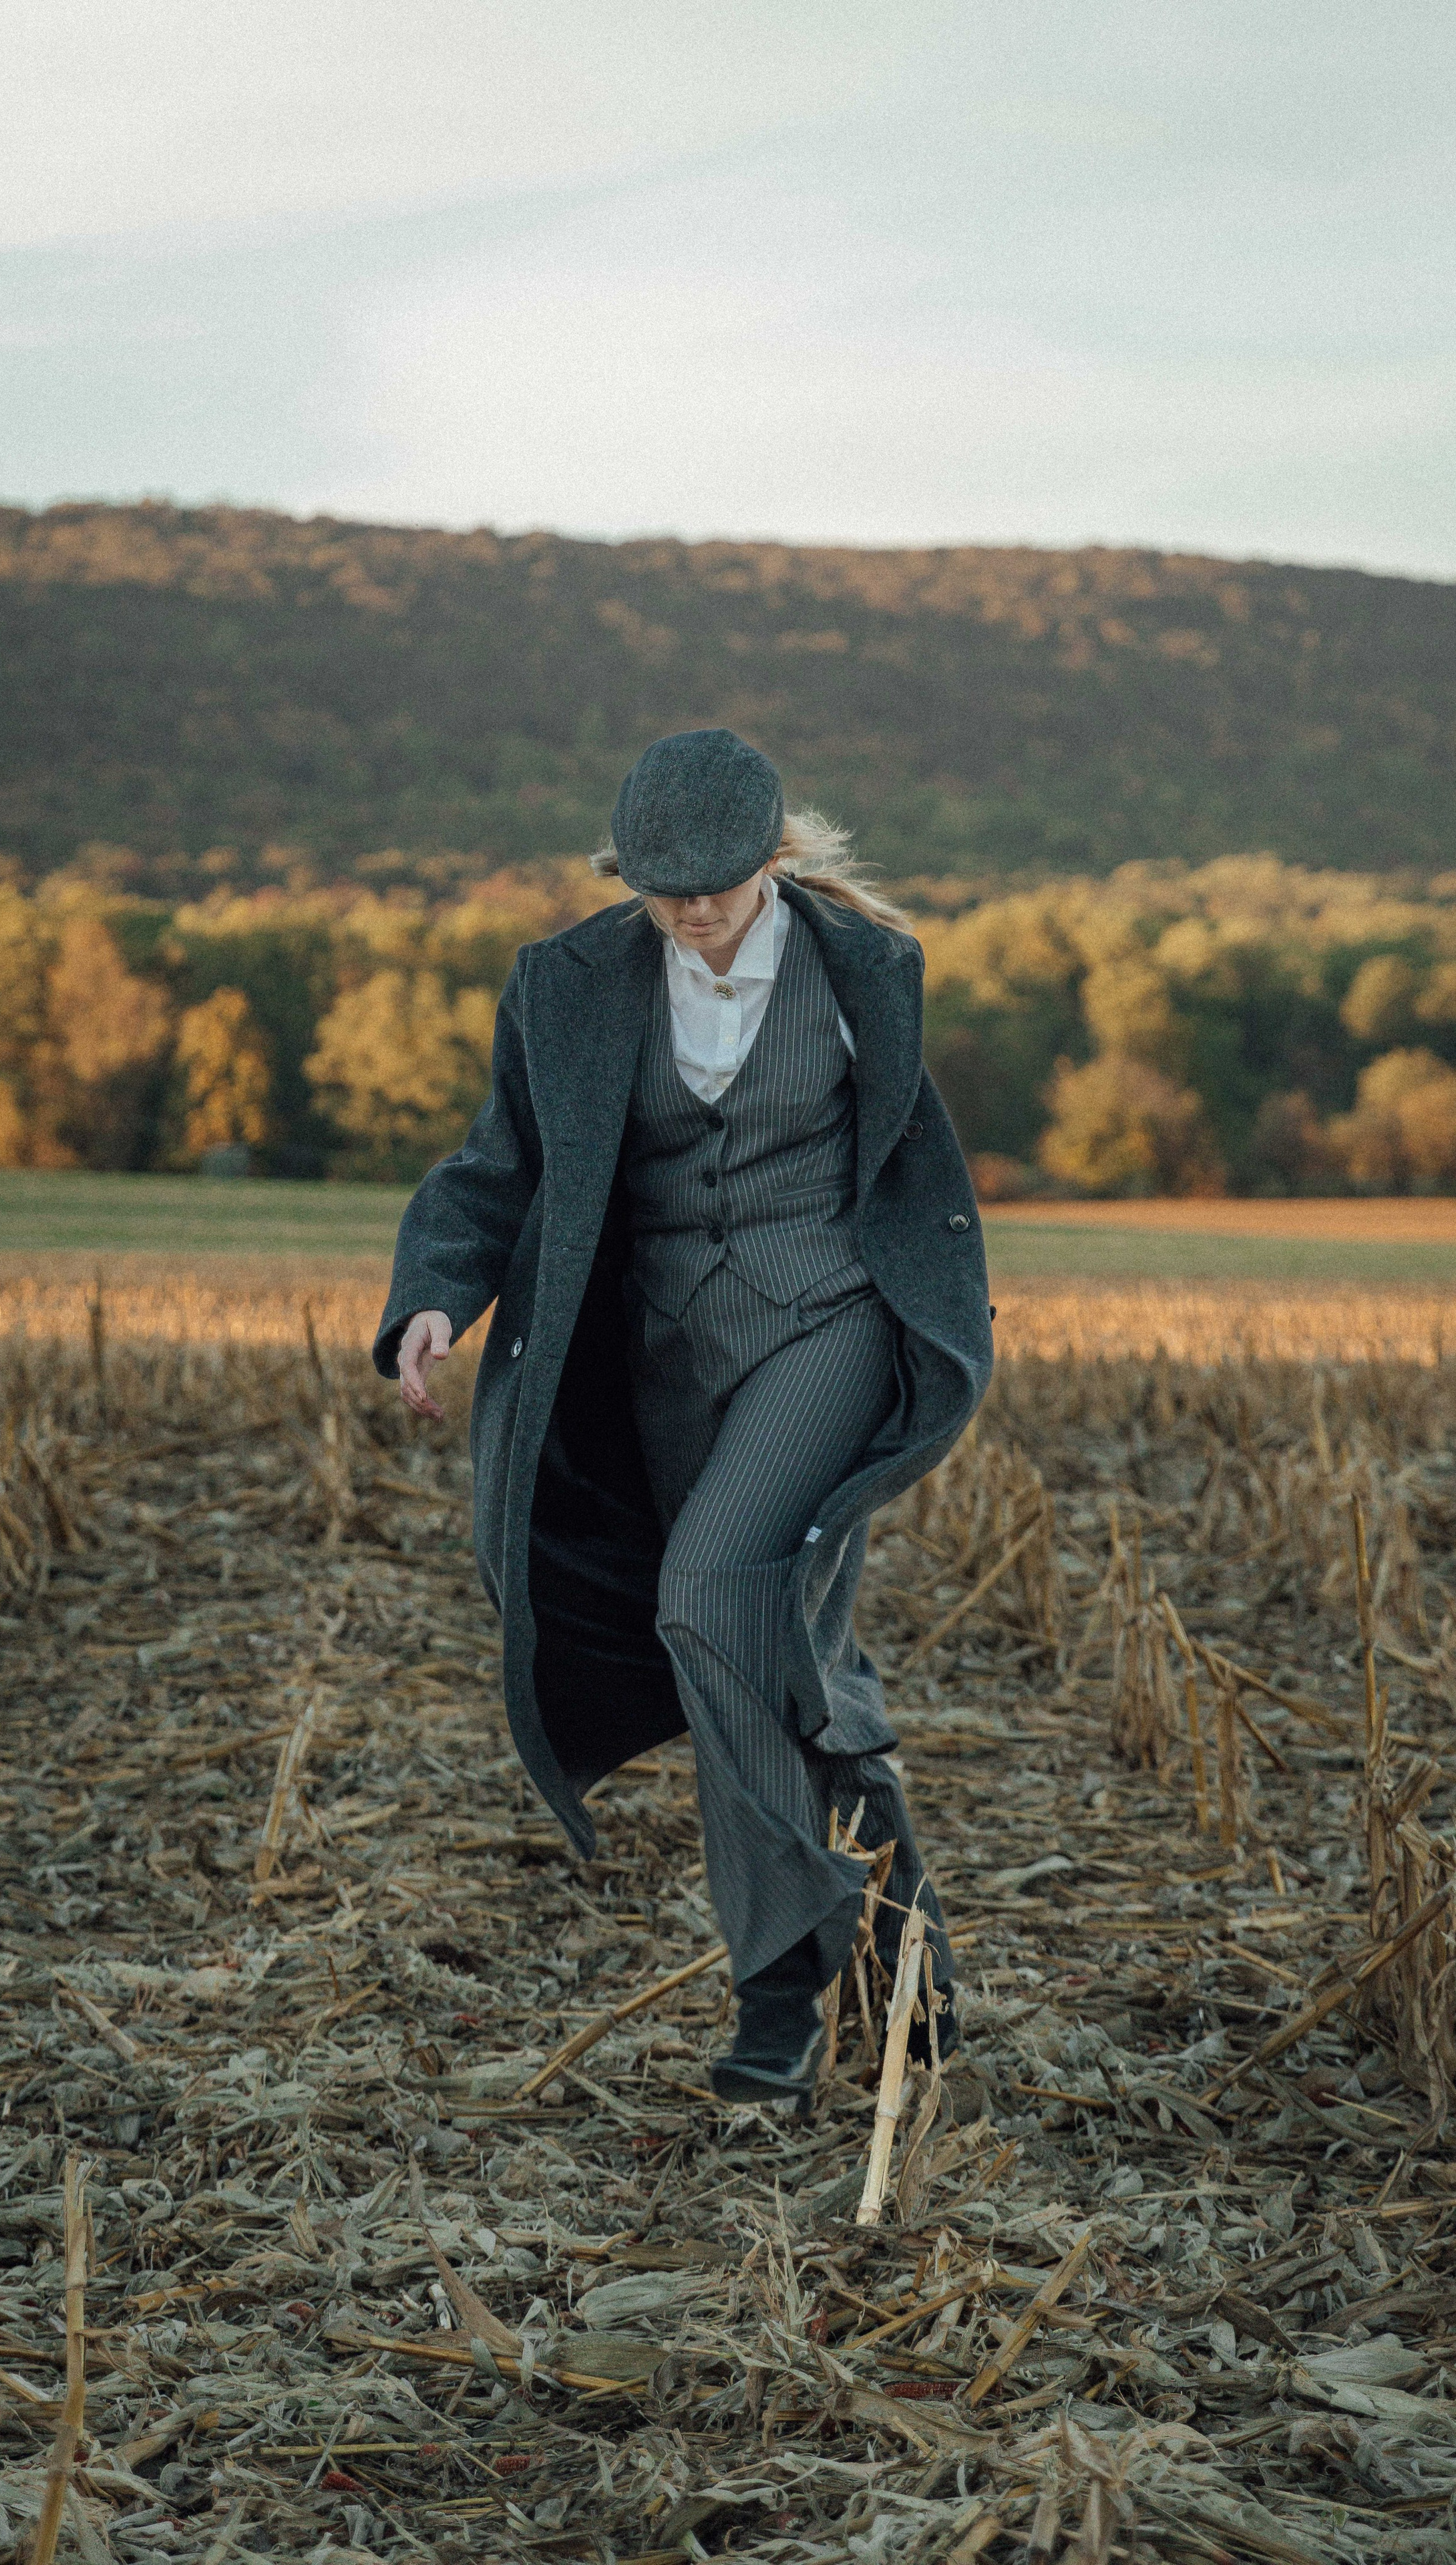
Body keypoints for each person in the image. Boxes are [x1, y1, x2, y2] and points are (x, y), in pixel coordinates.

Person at [373, 728, 992, 2107]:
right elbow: (494, 1168)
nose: (693, 910)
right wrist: (432, 1299)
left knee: (707, 1596)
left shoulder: (862, 972)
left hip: (824, 1322)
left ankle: (779, 1988)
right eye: (664, 887)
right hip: (661, 1356)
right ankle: (907, 1976)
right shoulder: (566, 982)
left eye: (717, 882)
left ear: (770, 858)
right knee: (776, 1661)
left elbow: (910, 1172)